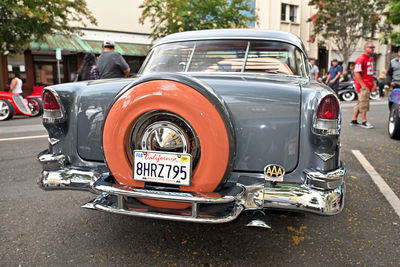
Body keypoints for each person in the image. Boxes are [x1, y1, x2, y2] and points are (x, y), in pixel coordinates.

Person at [350, 42, 377, 129]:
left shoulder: (371, 59)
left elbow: (370, 73)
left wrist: (373, 84)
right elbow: (356, 72)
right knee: (364, 103)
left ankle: (354, 120)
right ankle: (364, 121)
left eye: (373, 47)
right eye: (371, 47)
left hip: (368, 84)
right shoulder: (361, 58)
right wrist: (363, 85)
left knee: (360, 102)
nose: (373, 48)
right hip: (363, 85)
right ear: (365, 48)